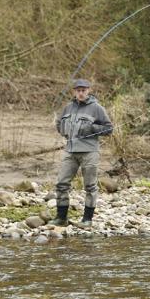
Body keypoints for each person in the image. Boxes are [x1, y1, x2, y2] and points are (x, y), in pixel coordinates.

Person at [50, 79, 113, 228]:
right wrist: (65, 133)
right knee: (61, 184)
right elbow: (59, 124)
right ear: (74, 91)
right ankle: (61, 218)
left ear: (88, 90)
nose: (81, 92)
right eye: (78, 90)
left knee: (90, 186)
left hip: (89, 152)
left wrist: (92, 129)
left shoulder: (97, 108)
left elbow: (109, 129)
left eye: (83, 90)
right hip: (70, 151)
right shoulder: (68, 107)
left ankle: (87, 220)